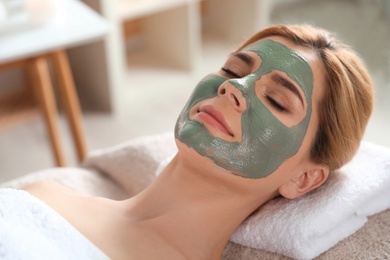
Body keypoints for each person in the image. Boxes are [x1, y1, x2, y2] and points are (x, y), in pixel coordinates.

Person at [23, 24, 374, 259]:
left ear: (303, 178)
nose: (233, 87)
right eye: (234, 70)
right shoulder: (42, 196)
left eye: (277, 100)